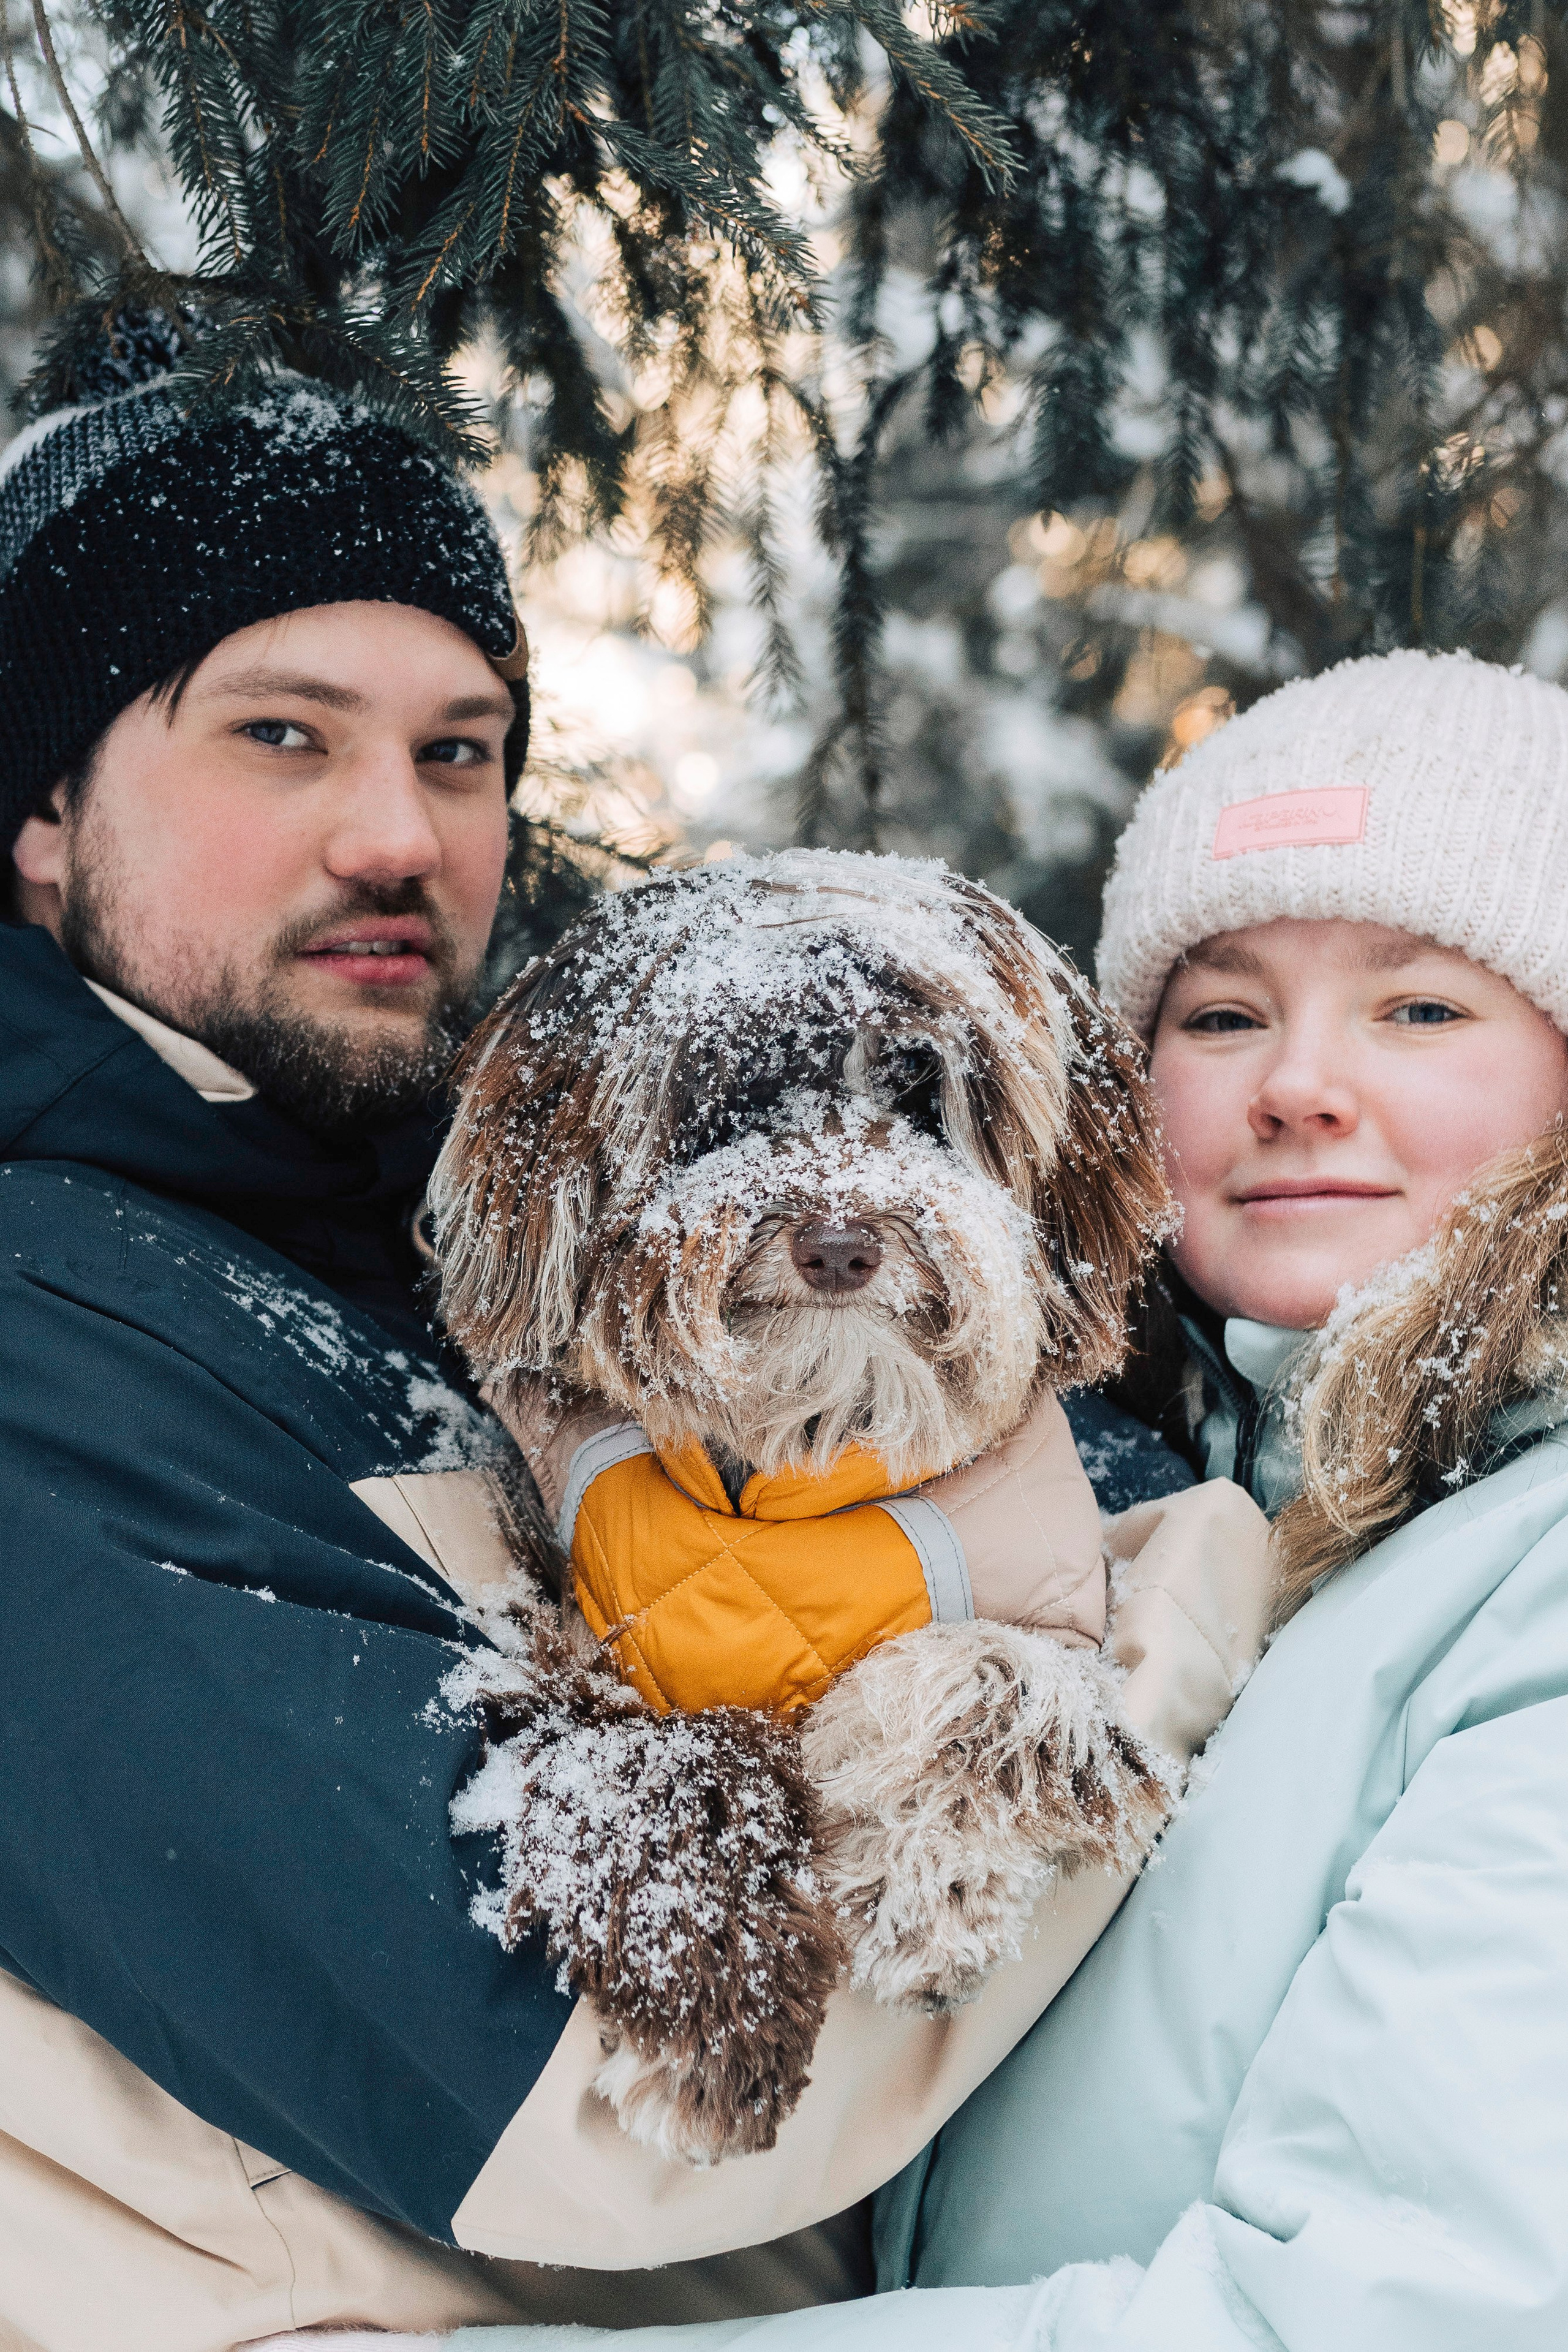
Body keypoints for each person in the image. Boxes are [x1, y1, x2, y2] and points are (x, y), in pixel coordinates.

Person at [0, 337, 1257, 2352]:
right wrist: (1199, 1590)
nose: (400, 837)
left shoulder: (466, 1249)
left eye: (461, 748)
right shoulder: (46, 1336)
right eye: (283, 737)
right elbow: (611, 2088)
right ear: (44, 813)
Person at [432, 646, 1568, 2352]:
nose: (1295, 1085)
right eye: (1223, 1013)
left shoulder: (1531, 1580)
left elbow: (1384, 2316)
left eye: (1420, 1006)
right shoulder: (1142, 1510)